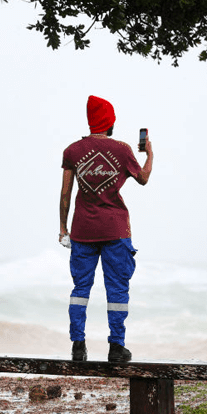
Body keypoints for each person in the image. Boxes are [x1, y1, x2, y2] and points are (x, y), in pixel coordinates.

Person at [59, 95, 153, 362]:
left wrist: (63, 228)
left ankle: (78, 346)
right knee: (117, 290)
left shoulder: (72, 151)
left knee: (80, 289)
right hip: (115, 230)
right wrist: (150, 154)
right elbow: (143, 178)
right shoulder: (122, 150)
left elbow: (65, 194)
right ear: (109, 122)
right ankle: (116, 347)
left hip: (82, 231)